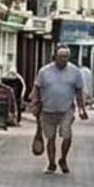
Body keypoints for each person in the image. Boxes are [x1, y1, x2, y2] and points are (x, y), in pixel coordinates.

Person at [31, 44, 89, 175]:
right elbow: (37, 88)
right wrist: (35, 103)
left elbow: (79, 91)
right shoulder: (44, 71)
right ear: (55, 57)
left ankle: (63, 159)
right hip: (47, 110)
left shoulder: (75, 71)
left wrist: (82, 108)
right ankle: (52, 163)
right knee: (50, 138)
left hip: (66, 110)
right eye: (61, 56)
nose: (64, 59)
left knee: (66, 135)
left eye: (66, 56)